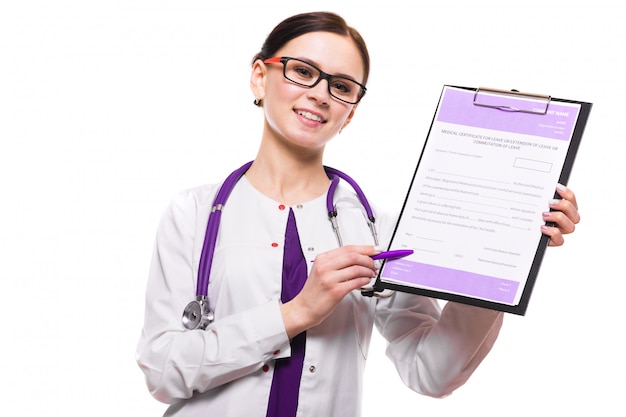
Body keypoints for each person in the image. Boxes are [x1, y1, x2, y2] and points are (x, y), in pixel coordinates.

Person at [136, 11, 580, 417]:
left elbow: (431, 373)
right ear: (260, 77)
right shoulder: (193, 214)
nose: (320, 94)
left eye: (342, 86)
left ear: (351, 112)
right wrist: (296, 313)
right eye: (303, 71)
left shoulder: (379, 231)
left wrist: (505, 255)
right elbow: (161, 372)